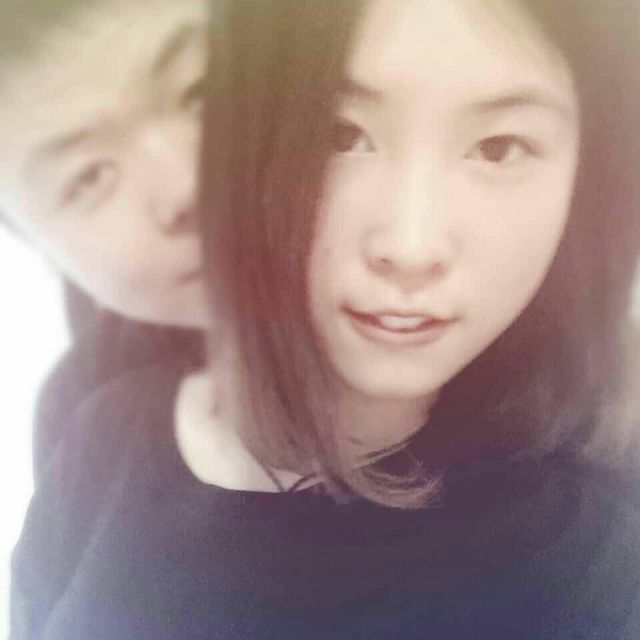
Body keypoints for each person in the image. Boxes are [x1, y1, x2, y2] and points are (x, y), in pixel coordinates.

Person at [11, 0, 640, 638]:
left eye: (199, 94)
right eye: (340, 134)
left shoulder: (582, 557)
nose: (189, 186)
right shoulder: (97, 423)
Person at [0, 0, 212, 480]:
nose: (188, 182)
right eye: (89, 176)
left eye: (200, 90)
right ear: (39, 250)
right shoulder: (80, 426)